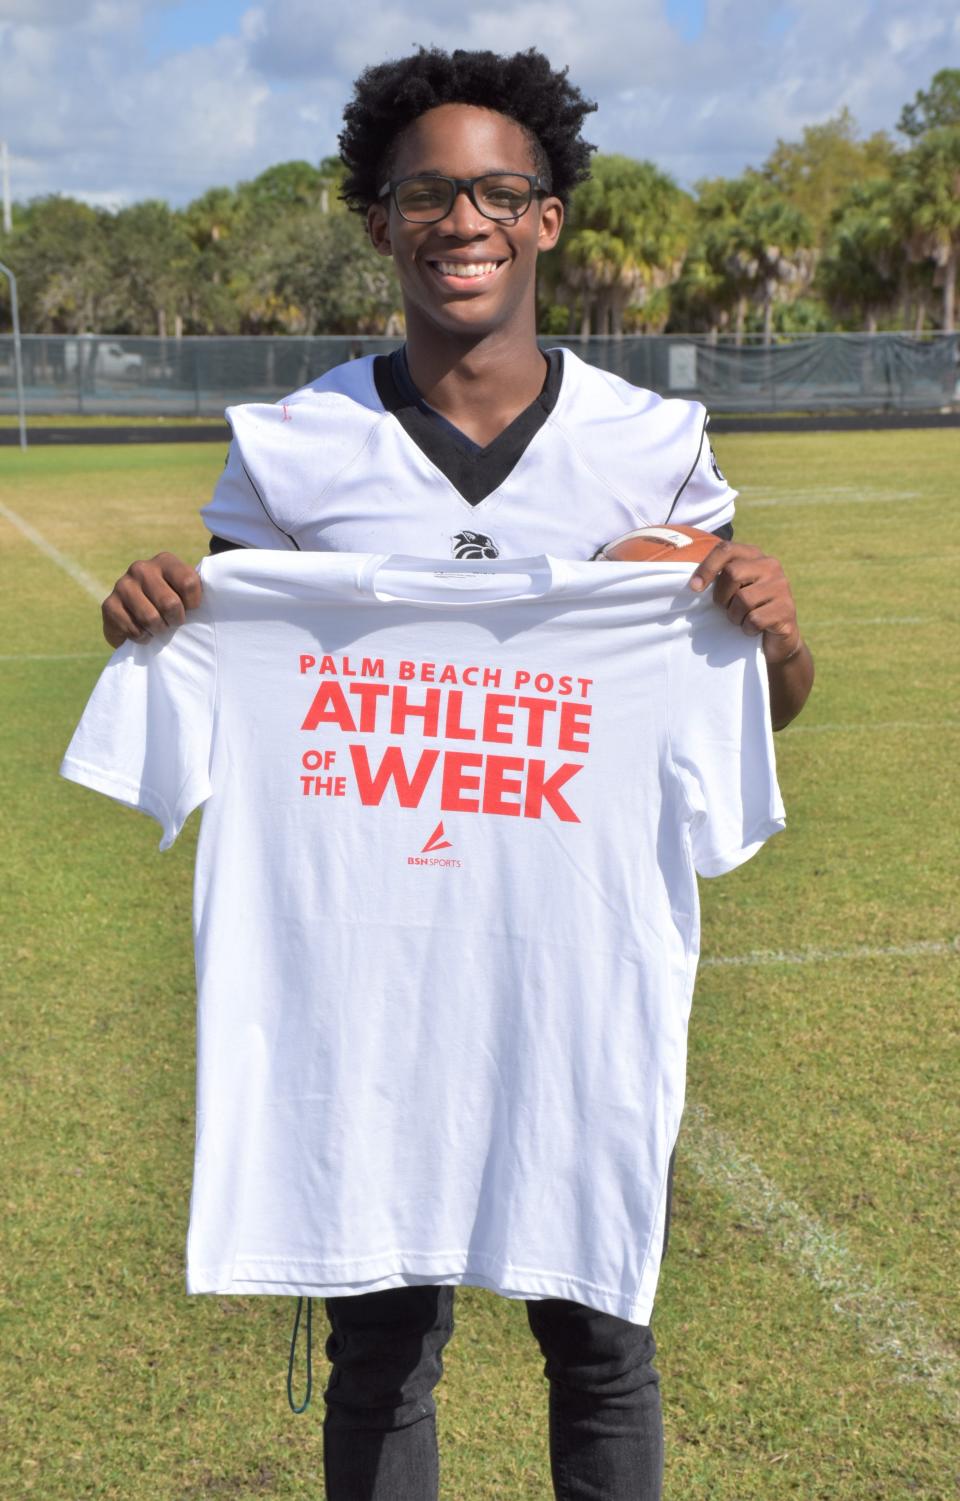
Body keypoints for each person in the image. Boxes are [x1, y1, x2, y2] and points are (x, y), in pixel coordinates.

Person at [98, 47, 813, 1501]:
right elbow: (242, 676)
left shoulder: (653, 450)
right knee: (381, 1353)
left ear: (549, 217)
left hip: (569, 981)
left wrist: (775, 639)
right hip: (363, 988)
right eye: (428, 193)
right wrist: (168, 621)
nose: (463, 220)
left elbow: (748, 714)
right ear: (381, 220)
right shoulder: (299, 449)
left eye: (499, 190)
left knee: (602, 1343)